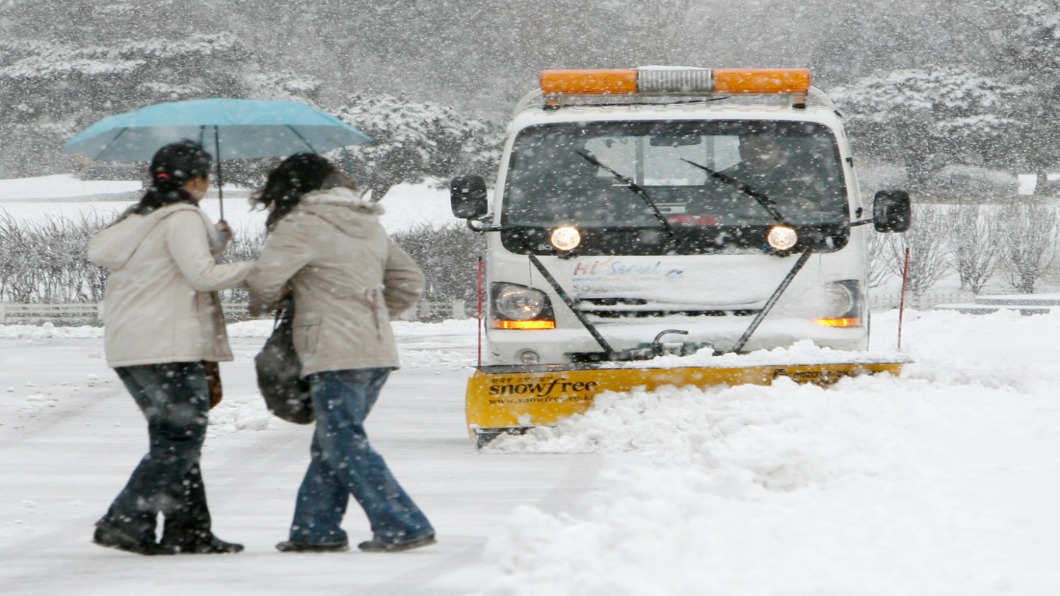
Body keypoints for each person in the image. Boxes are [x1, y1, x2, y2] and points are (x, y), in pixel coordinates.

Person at [246, 153, 435, 553]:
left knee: (343, 443)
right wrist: (369, 314)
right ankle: (315, 531)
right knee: (333, 442)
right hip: (375, 349)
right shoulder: (367, 221)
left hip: (333, 351)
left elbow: (264, 281)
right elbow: (409, 281)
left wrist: (276, 298)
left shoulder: (301, 225)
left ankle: (402, 523)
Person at [87, 140, 252, 556]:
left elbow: (169, 261)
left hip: (132, 345)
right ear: (196, 181)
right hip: (167, 344)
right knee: (182, 436)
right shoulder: (182, 216)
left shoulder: (141, 217)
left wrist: (214, 240)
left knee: (175, 439)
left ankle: (188, 530)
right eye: (206, 176)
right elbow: (201, 275)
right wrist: (257, 268)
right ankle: (125, 521)